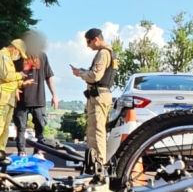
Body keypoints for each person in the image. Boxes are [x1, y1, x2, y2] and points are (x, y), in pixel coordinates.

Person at [70, 28, 116, 169]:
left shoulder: (103, 53)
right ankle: (93, 162)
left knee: (97, 131)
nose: (87, 45)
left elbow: (95, 76)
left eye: (89, 42)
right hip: (99, 95)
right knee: (93, 130)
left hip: (99, 96)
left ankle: (99, 163)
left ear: (96, 39)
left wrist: (80, 74)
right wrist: (83, 71)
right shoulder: (107, 52)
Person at [12, 30, 60, 155]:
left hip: (39, 99)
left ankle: (38, 151)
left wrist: (54, 95)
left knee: (40, 128)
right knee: (21, 128)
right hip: (21, 100)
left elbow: (49, 76)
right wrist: (14, 89)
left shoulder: (42, 56)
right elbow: (11, 77)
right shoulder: (17, 56)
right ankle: (21, 152)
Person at [0, 38, 33, 151]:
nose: (19, 57)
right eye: (19, 54)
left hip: (8, 99)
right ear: (15, 49)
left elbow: (9, 81)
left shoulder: (8, 59)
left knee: (4, 129)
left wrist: (22, 83)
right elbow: (6, 76)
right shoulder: (2, 56)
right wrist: (20, 75)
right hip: (1, 99)